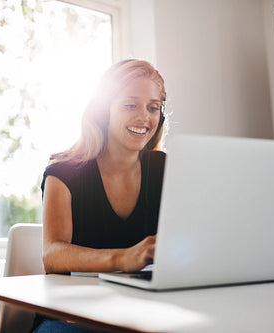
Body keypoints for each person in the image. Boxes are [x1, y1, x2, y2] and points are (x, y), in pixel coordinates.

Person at [32, 59, 167, 332]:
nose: (144, 117)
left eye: (153, 107)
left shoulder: (164, 169)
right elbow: (52, 255)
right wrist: (122, 259)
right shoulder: (63, 171)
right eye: (130, 105)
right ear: (104, 111)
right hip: (73, 314)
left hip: (142, 311)